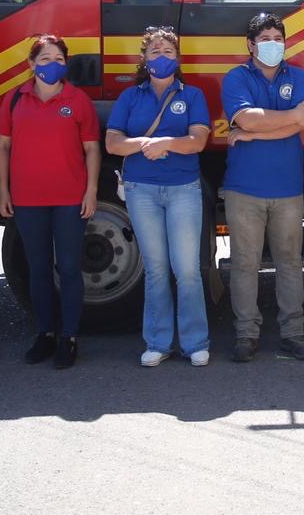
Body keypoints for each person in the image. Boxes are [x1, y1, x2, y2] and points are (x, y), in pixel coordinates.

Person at [106, 26, 212, 367]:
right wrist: (146, 145)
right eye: (155, 52)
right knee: (154, 269)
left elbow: (197, 141)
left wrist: (163, 143)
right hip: (142, 190)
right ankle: (158, 342)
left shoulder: (192, 96)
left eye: (168, 52)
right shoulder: (130, 97)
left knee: (188, 270)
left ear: (177, 58)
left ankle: (196, 342)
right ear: (144, 59)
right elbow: (112, 143)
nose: (162, 57)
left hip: (184, 189)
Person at [0, 34, 100, 369]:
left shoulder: (78, 100)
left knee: (69, 268)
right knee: (38, 270)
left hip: (70, 199)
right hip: (27, 200)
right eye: (44, 59)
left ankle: (68, 338)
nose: (51, 65)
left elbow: (92, 149)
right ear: (30, 64)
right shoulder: (14, 99)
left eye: (58, 59)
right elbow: (2, 147)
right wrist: (4, 190)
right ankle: (45, 334)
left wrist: (92, 190)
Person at [220, 12, 304, 363]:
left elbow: (302, 123)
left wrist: (251, 133)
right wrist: (285, 117)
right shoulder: (235, 78)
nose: (272, 44)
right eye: (264, 39)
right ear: (250, 44)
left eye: (277, 38)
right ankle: (246, 335)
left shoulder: (300, 76)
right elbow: (248, 117)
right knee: (245, 264)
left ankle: (293, 333)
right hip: (244, 188)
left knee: (289, 263)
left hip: (288, 188)